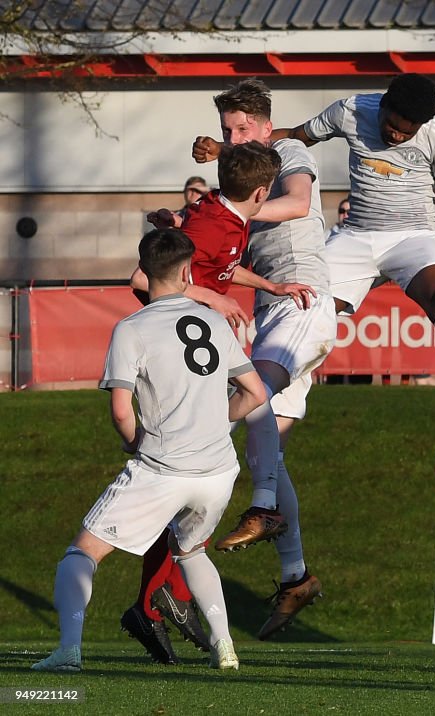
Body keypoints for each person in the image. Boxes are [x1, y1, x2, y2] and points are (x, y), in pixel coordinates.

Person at [195, 73, 435, 436]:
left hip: (413, 237)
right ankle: (274, 410)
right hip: (356, 235)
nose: (397, 136)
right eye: (392, 126)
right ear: (382, 107)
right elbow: (292, 136)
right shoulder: (350, 111)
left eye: (407, 131)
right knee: (305, 310)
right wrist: (222, 148)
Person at [31, 227, 267, 673]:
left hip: (163, 467)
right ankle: (225, 648)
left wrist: (135, 443)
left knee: (81, 554)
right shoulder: (214, 320)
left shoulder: (131, 328)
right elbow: (254, 393)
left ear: (144, 272)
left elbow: (121, 410)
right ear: (187, 271)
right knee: (192, 551)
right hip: (218, 471)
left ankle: (68, 651)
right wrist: (217, 421)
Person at [127, 141, 312, 664]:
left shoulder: (227, 222)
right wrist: (217, 299)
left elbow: (215, 272)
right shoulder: (210, 223)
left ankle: (160, 601)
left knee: (206, 467)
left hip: (202, 355)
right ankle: (154, 602)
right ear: (262, 192)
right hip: (178, 358)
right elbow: (146, 279)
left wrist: (269, 284)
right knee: (191, 470)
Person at [193, 79, 337, 640]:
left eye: (241, 129)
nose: (232, 138)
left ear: (264, 124)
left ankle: (262, 508)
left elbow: (299, 202)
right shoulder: (241, 172)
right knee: (262, 443)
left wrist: (234, 214)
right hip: (275, 304)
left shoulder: (288, 151)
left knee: (248, 400)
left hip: (304, 298)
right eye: (228, 130)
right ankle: (296, 575)